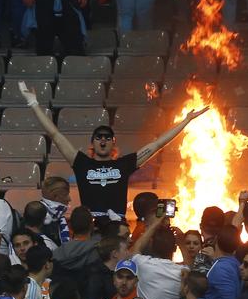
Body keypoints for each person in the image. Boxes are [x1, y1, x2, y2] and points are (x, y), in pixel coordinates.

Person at [19, 88, 206, 219]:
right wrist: (33, 103)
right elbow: (55, 135)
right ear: (92, 142)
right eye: (98, 137)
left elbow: (157, 144)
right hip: (90, 228)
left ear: (113, 143)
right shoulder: (82, 163)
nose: (103, 140)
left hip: (117, 228)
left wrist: (186, 120)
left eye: (107, 137)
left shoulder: (123, 165)